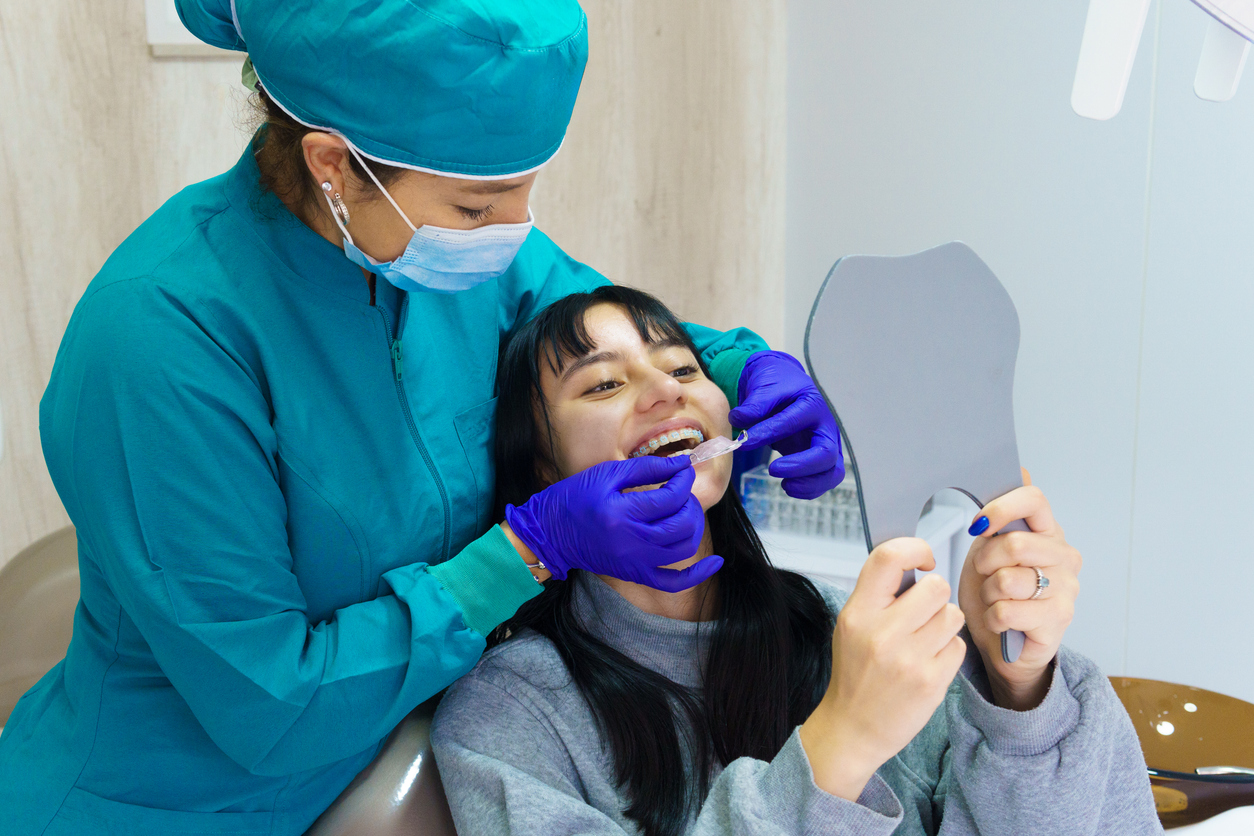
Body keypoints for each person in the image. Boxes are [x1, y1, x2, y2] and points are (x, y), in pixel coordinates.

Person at [0, 3, 843, 835]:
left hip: (391, 773)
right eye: (476, 210)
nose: (512, 237)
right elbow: (270, 705)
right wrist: (528, 550)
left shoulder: (445, 250)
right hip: (171, 808)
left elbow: (609, 330)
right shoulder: (161, 340)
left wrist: (739, 367)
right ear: (332, 164)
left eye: (523, 195)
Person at [430, 285, 1163, 836]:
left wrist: (1019, 692)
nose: (666, 392)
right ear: (544, 476)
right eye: (603, 384)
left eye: (683, 367)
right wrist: (840, 744)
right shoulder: (506, 718)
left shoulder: (839, 628)